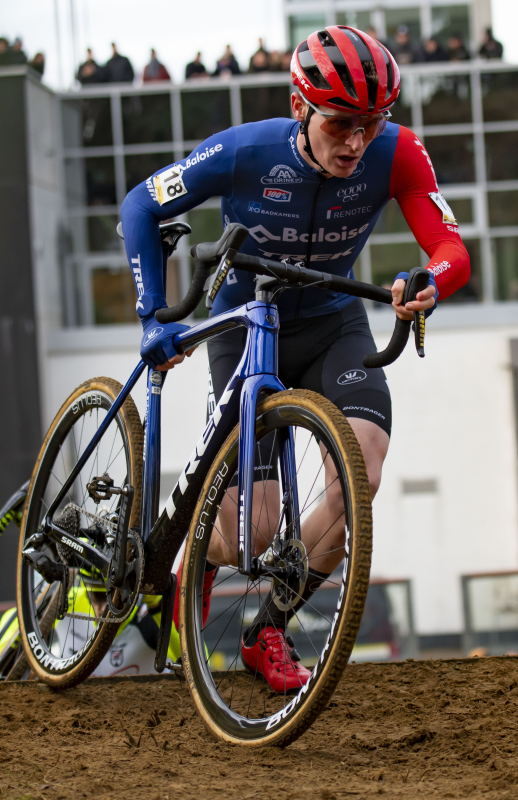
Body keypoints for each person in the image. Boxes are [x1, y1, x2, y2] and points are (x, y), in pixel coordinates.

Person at [118, 24, 469, 692]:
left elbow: (451, 250)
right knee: (246, 533)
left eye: (372, 122)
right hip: (248, 327)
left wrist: (430, 282)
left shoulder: (396, 153)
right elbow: (141, 203)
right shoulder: (245, 151)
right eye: (341, 124)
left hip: (334, 321)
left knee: (357, 478)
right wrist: (150, 313)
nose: (357, 142)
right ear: (302, 106)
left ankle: (268, 628)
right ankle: (195, 560)